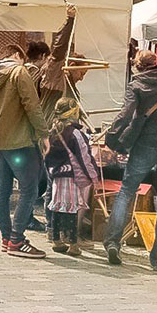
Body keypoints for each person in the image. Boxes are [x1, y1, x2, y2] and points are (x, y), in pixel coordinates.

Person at [103, 51, 157, 272]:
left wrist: (111, 138)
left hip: (147, 144)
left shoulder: (137, 84)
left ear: (138, 66)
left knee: (126, 192)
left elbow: (125, 114)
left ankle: (113, 242)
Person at [0, 43, 50, 259]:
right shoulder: (18, 72)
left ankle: (6, 237)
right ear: (16, 55)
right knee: (29, 189)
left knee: (3, 191)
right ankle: (17, 239)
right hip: (19, 140)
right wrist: (43, 133)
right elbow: (32, 104)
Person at [43, 98, 98, 256]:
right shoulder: (76, 134)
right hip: (73, 177)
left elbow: (45, 156)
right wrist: (93, 176)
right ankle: (73, 244)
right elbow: (84, 157)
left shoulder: (52, 132)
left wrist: (52, 172)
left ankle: (56, 240)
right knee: (72, 210)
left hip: (57, 177)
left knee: (57, 207)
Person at [39, 5, 87, 118]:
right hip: (52, 130)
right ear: (72, 65)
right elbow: (59, 49)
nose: (81, 78)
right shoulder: (55, 76)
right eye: (82, 73)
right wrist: (70, 20)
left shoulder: (69, 83)